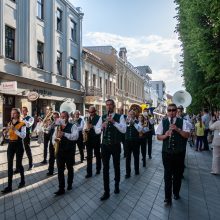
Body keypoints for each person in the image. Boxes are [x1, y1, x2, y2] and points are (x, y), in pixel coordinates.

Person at [156, 103, 190, 205]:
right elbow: (158, 137)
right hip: (166, 152)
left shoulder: (183, 122)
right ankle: (167, 198)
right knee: (167, 175)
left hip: (179, 153)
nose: (171, 112)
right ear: (167, 111)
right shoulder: (163, 121)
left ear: (176, 111)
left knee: (177, 174)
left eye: (173, 110)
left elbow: (187, 135)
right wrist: (165, 135)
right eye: (169, 110)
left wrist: (177, 129)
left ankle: (176, 192)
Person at [100, 99, 126, 201]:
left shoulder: (120, 117)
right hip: (105, 145)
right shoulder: (103, 117)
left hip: (115, 145)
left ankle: (116, 185)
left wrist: (114, 122)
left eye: (110, 105)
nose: (108, 107)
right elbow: (97, 131)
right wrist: (101, 127)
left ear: (114, 106)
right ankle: (106, 191)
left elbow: (124, 129)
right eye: (107, 105)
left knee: (116, 166)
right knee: (105, 168)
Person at [52, 111, 78, 195]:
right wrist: (55, 142)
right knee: (60, 170)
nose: (63, 118)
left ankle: (70, 183)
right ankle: (61, 188)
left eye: (64, 117)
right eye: (61, 117)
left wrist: (64, 134)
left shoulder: (72, 126)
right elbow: (53, 138)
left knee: (70, 168)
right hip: (60, 151)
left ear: (68, 117)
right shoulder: (57, 127)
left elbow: (75, 136)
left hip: (69, 151)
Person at [1, 108, 26, 194]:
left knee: (19, 165)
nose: (12, 115)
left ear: (18, 114)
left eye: (14, 113)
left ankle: (22, 181)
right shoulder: (9, 123)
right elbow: (8, 136)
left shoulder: (22, 124)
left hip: (19, 144)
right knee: (9, 166)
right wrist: (5, 133)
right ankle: (9, 186)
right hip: (11, 145)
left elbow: (23, 136)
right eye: (12, 113)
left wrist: (15, 129)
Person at [84, 106, 102, 178]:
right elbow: (85, 127)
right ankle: (89, 172)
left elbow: (99, 129)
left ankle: (98, 169)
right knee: (89, 156)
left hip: (96, 139)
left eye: (92, 112)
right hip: (89, 139)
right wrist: (85, 129)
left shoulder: (99, 118)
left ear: (95, 111)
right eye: (89, 112)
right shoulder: (87, 118)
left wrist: (93, 127)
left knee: (97, 155)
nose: (90, 113)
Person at [125, 110, 142, 178]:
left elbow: (140, 130)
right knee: (127, 158)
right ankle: (128, 173)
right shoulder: (126, 121)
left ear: (134, 115)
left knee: (136, 156)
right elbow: (123, 129)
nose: (130, 116)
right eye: (129, 114)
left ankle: (136, 170)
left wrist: (134, 123)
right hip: (127, 141)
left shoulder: (138, 122)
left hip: (135, 141)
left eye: (132, 114)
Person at [21, 107, 34, 171]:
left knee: (28, 150)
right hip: (20, 135)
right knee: (20, 150)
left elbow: (28, 125)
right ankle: (18, 166)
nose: (23, 112)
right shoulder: (20, 117)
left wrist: (23, 119)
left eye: (24, 111)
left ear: (27, 111)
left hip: (27, 135)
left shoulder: (31, 118)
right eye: (22, 111)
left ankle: (31, 164)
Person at [47, 112, 60, 176]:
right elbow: (48, 131)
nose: (55, 119)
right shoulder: (53, 123)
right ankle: (50, 171)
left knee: (58, 157)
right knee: (51, 157)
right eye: (54, 117)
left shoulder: (60, 124)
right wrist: (48, 127)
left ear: (59, 117)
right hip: (51, 142)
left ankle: (61, 169)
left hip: (58, 143)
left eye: (56, 117)